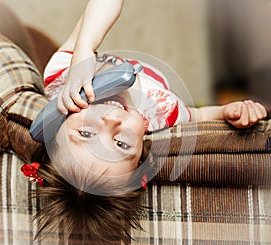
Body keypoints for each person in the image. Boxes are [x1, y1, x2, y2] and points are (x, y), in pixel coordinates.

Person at [28, 0, 268, 243]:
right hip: (157, 83)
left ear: (56, 123)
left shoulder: (61, 76)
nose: (111, 119)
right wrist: (228, 112)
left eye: (86, 133)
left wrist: (83, 51)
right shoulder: (163, 112)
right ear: (142, 155)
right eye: (121, 144)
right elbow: (200, 116)